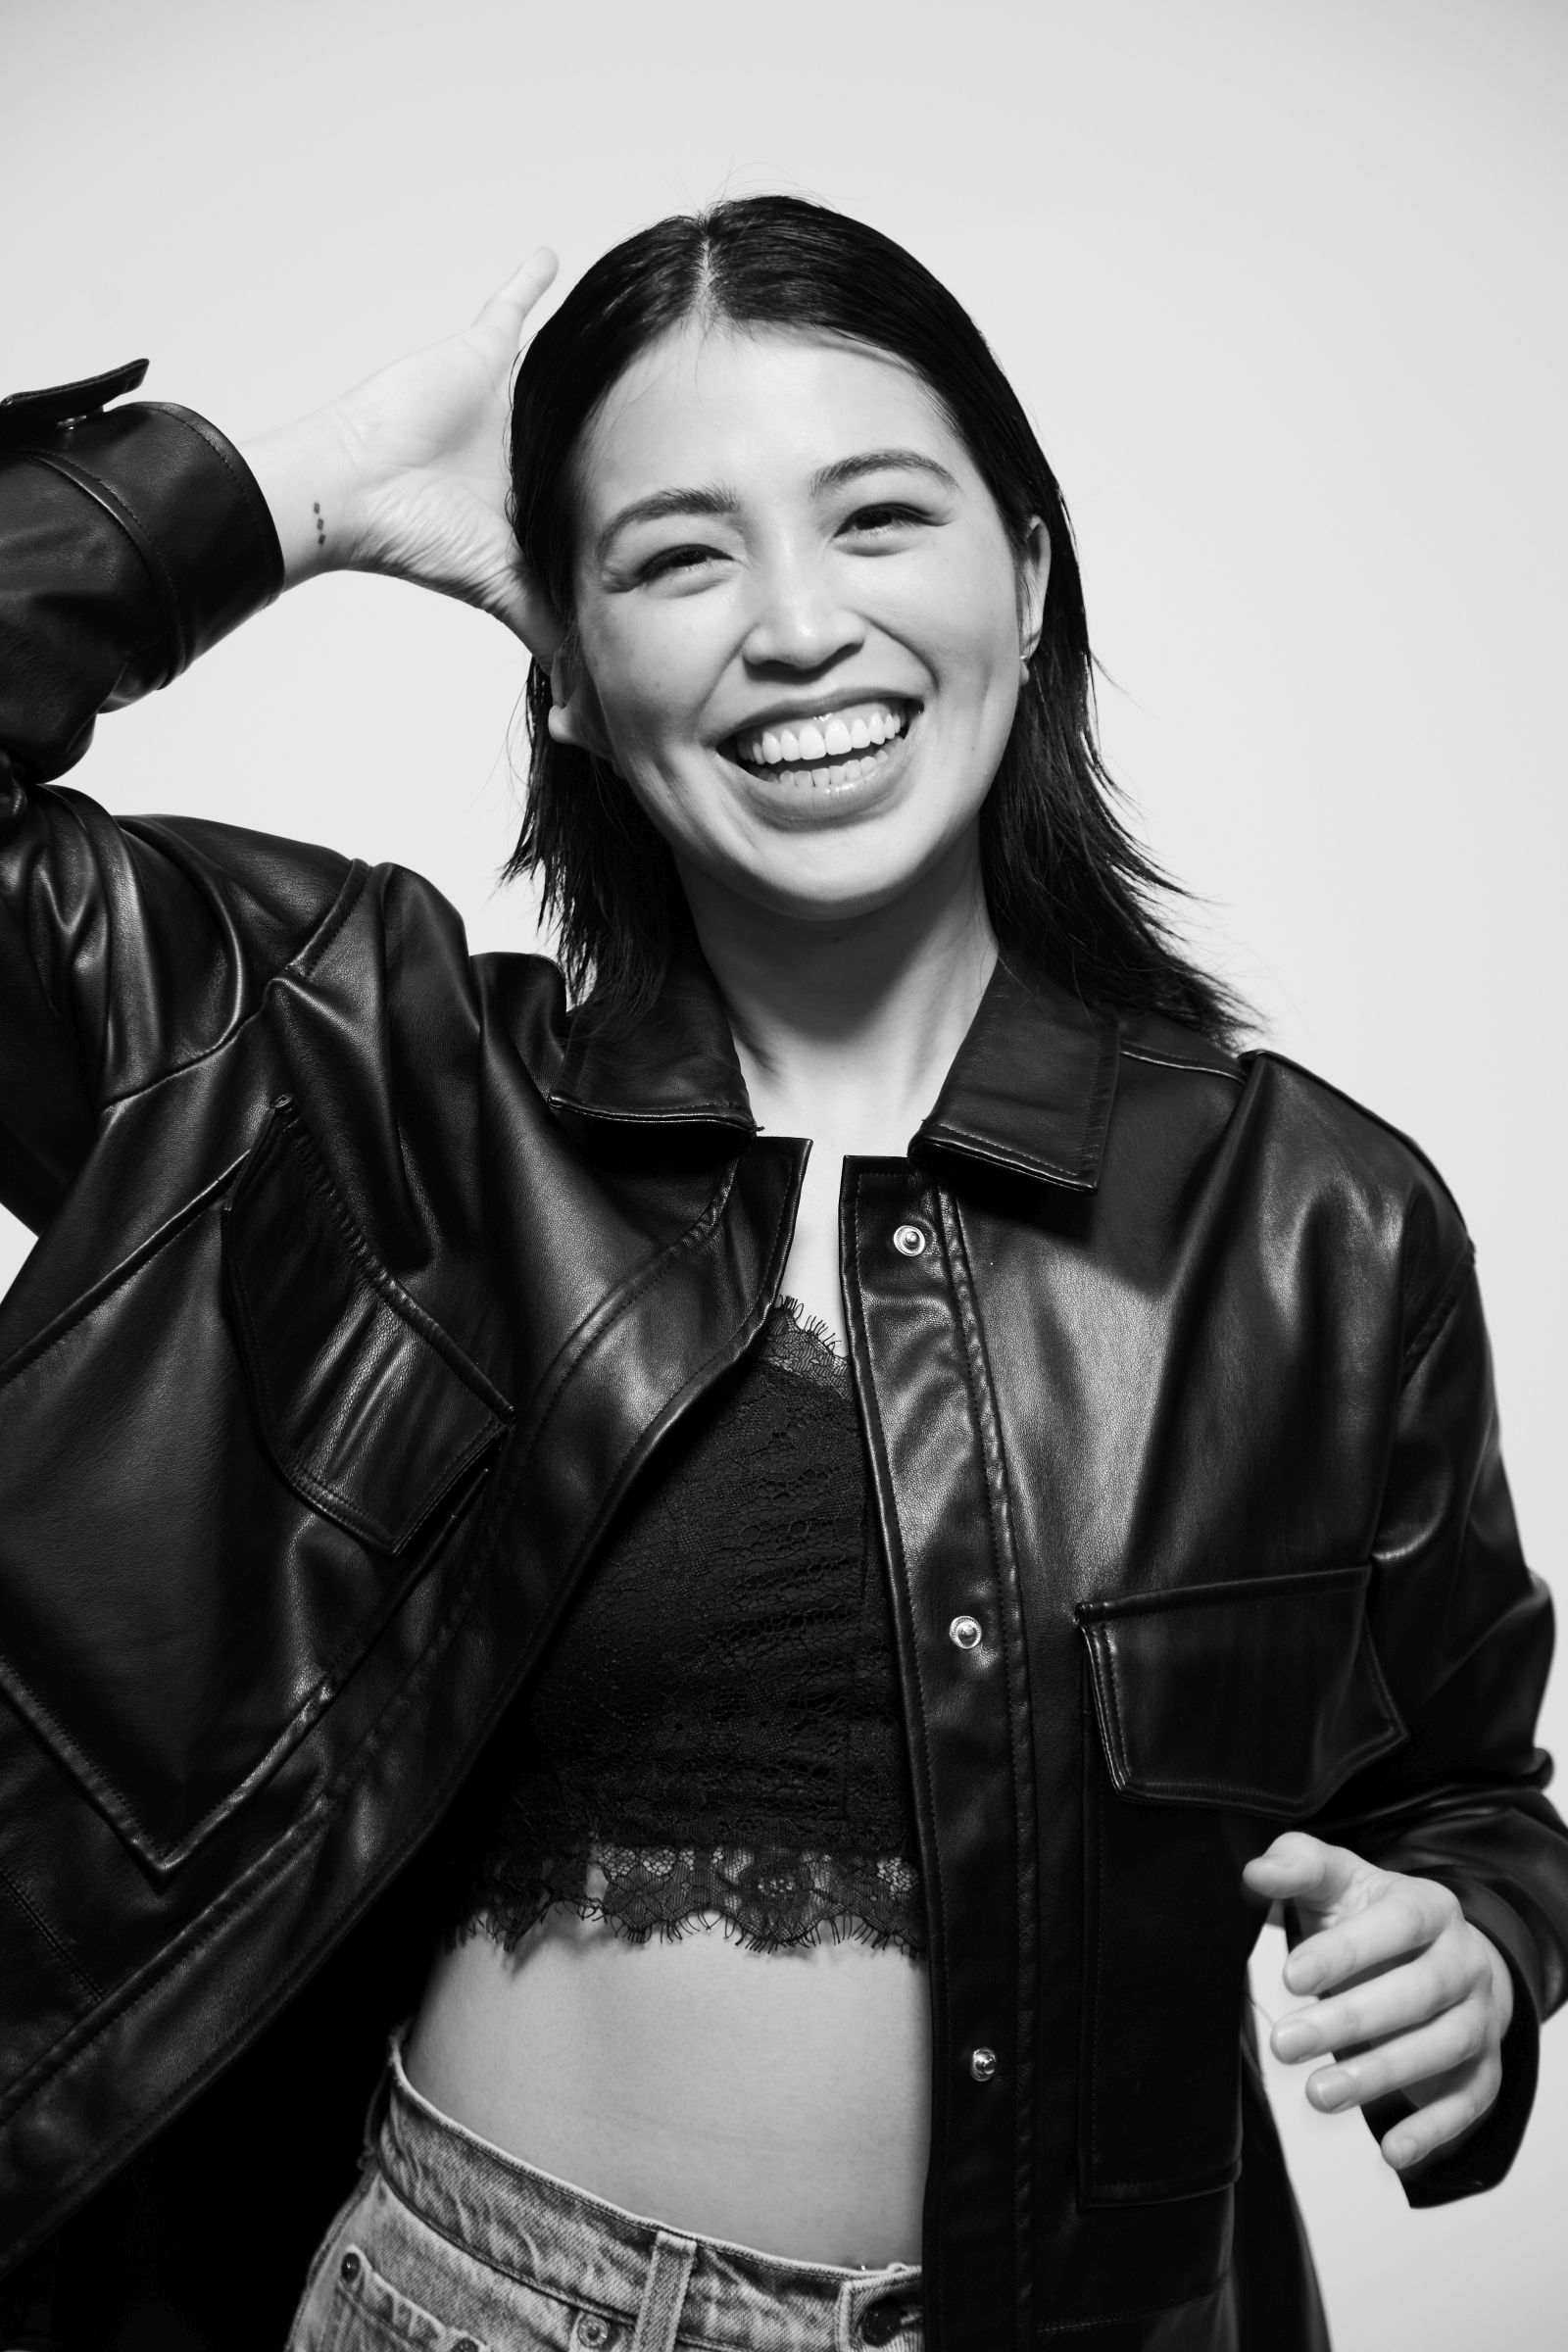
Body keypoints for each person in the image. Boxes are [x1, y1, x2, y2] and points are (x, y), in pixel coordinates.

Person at [0, 196, 1562, 2352]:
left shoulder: (1319, 1228)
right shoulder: (345, 1074)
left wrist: (1470, 1937)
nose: (795, 622)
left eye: (876, 519)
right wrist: (310, 482)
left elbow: (1456, 1789)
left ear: (1021, 581)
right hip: (466, 2301)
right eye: (674, 555)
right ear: (562, 665)